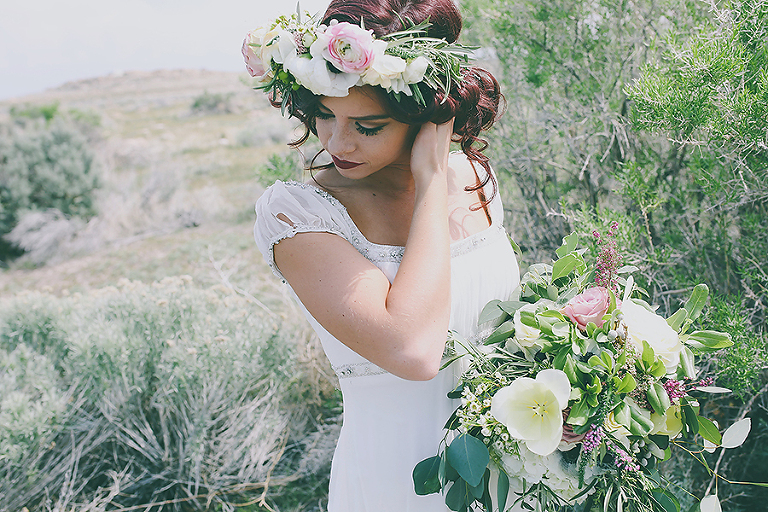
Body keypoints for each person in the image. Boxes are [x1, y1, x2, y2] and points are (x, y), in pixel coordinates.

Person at [246, 0, 520, 509]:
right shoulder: (299, 215)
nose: (338, 142)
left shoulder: (473, 179)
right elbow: (414, 352)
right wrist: (431, 180)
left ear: (428, 115)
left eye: (367, 126)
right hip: (396, 483)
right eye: (323, 114)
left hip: (515, 478)